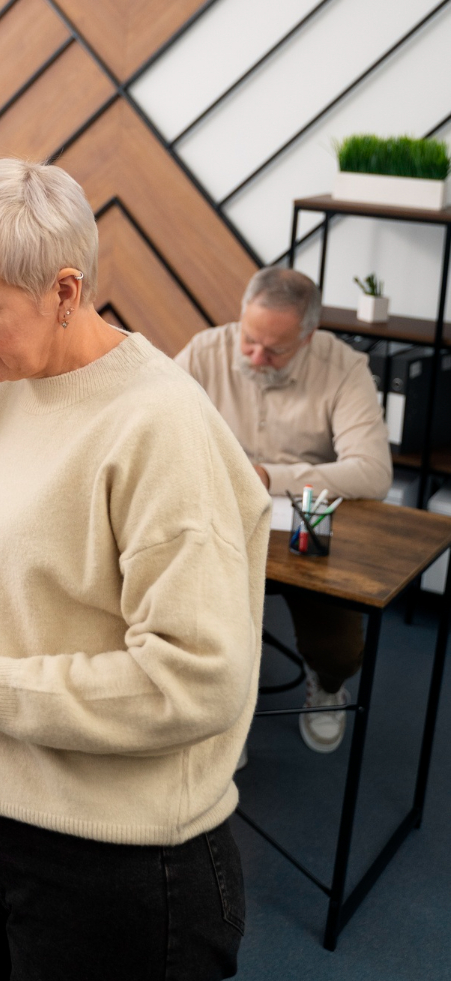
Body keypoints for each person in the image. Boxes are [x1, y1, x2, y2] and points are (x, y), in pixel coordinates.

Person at [0, 159, 268, 981]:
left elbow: (190, 680)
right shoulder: (19, 384)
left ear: (63, 289)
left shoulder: (158, 426)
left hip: (119, 856)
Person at [176, 267, 392, 754]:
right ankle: (222, 715)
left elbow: (374, 473)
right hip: (219, 520)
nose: (257, 356)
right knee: (193, 625)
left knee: (340, 650)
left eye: (275, 350)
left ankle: (329, 686)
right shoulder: (204, 351)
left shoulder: (344, 367)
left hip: (306, 524)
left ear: (308, 336)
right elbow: (152, 429)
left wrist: (272, 477)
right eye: (249, 340)